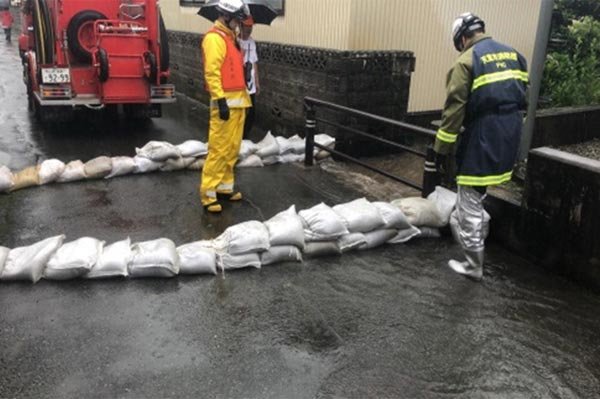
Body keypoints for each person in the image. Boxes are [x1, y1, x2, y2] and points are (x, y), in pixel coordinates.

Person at [433, 13, 528, 280]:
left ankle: (473, 264)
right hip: (510, 133)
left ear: (462, 38)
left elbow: (454, 110)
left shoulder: (466, 61)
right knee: (480, 190)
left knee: (469, 196)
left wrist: (441, 149)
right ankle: (479, 234)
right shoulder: (514, 55)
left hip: (483, 134)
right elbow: (525, 98)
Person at [200, 0, 251, 213]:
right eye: (237, 21)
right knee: (219, 149)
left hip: (238, 101)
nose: (239, 26)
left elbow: (229, 70)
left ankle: (224, 187)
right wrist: (220, 101)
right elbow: (212, 72)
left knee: (232, 149)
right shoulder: (214, 39)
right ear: (226, 17)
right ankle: (208, 193)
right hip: (225, 103)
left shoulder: (231, 40)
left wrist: (245, 71)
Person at [238, 15, 260, 138]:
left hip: (250, 84)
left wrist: (257, 82)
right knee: (241, 112)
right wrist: (240, 53)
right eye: (247, 26)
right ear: (241, 26)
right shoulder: (236, 42)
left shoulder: (252, 42)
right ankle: (239, 136)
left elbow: (254, 62)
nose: (249, 29)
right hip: (240, 85)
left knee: (252, 113)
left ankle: (245, 135)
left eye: (251, 26)